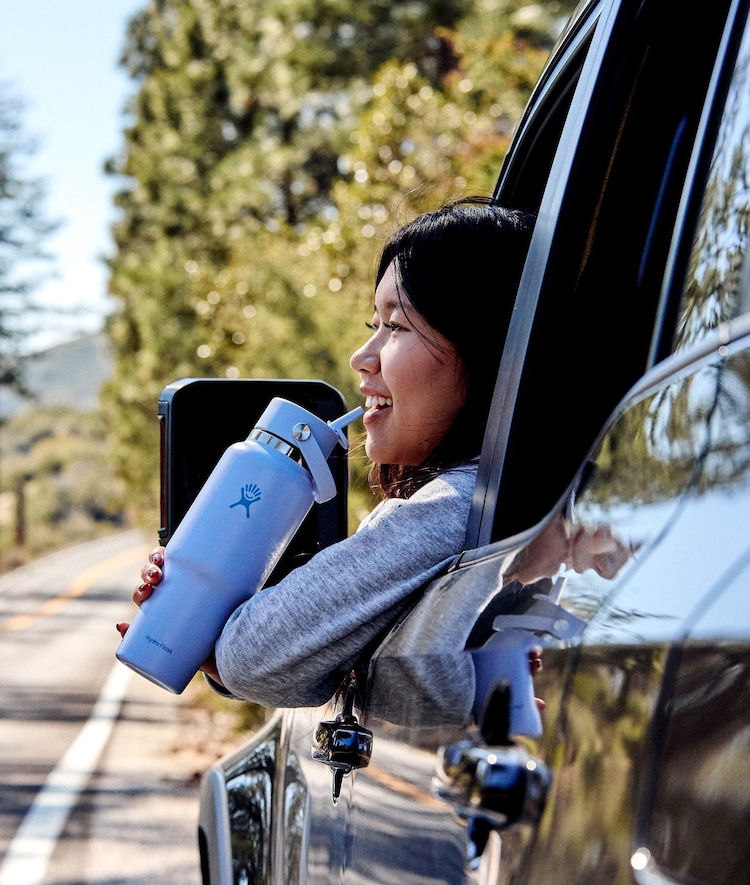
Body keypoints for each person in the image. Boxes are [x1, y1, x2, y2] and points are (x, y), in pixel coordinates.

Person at [117, 196, 535, 708]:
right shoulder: (511, 500)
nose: (362, 358)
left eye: (397, 325)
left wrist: (229, 638)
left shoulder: (461, 507)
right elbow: (270, 660)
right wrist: (210, 631)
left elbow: (253, 660)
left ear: (492, 349)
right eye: (372, 326)